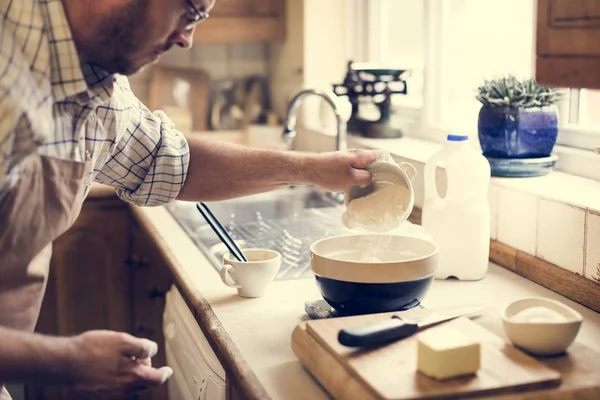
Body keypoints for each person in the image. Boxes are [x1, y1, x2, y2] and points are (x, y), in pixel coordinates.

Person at [0, 0, 381, 398]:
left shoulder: (93, 79)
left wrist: (311, 170)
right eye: (191, 12)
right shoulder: (9, 75)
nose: (187, 38)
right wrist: (66, 360)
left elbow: (171, 162)